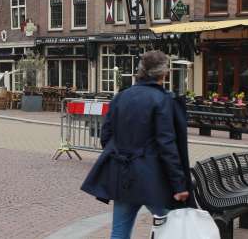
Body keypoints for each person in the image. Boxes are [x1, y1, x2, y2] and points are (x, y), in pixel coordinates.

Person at [80, 50, 193, 239]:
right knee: (173, 226)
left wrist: (121, 156)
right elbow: (167, 144)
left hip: (123, 176)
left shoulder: (121, 96)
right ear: (163, 73)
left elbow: (106, 136)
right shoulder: (163, 99)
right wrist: (179, 185)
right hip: (151, 178)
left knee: (119, 231)